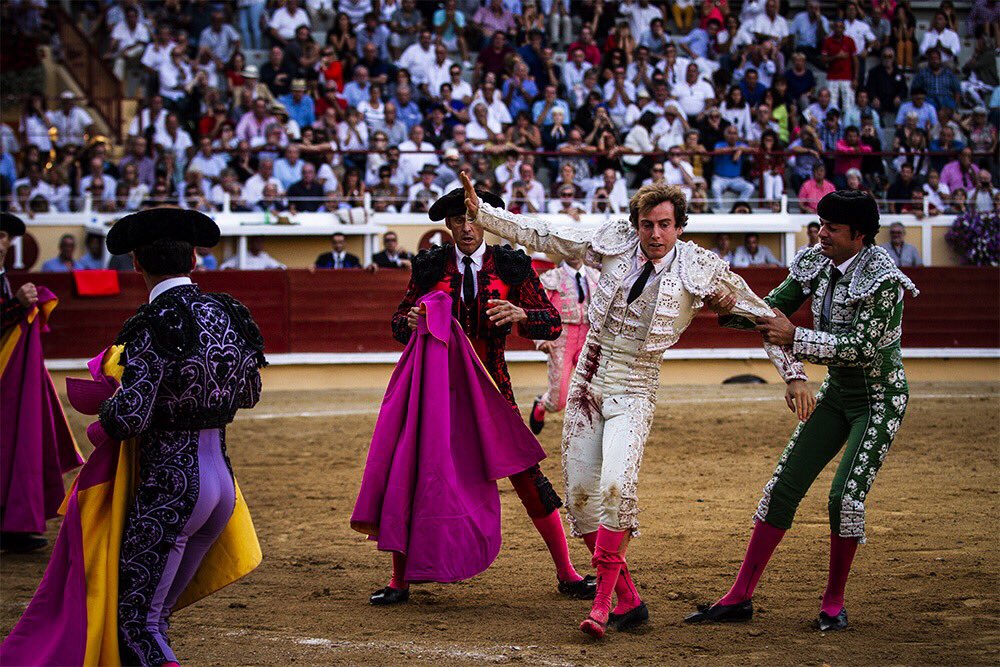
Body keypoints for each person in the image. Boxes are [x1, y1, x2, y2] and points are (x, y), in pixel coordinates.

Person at [465, 175, 809, 638]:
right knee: (582, 498)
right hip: (588, 375)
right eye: (647, 224)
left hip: (635, 383)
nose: (655, 234)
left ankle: (603, 606)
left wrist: (793, 374)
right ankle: (628, 601)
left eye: (665, 225)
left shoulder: (701, 269)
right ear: (636, 224)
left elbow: (764, 315)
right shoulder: (614, 241)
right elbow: (544, 234)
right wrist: (485, 214)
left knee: (615, 486)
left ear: (680, 227)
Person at [24, 208, 265, 666]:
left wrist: (105, 403)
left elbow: (129, 418)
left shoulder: (153, 323)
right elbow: (250, 392)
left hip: (170, 488)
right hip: (220, 490)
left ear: (136, 264)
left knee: (135, 622)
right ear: (194, 257)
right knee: (155, 618)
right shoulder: (231, 313)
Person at [686, 190, 919, 633]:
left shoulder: (884, 280)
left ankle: (833, 602)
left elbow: (864, 348)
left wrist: (795, 338)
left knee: (844, 498)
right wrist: (725, 306)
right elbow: (772, 310)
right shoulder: (816, 261)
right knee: (782, 487)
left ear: (860, 235)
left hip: (879, 399)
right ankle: (739, 596)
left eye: (832, 227)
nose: (822, 233)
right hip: (837, 395)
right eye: (821, 224)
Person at [383, 185, 595, 606]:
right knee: (415, 472)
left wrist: (521, 315)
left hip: (493, 386)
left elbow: (552, 323)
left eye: (473, 217)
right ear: (448, 225)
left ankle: (568, 572)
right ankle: (398, 580)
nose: (467, 227)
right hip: (436, 391)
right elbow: (397, 324)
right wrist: (408, 322)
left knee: (527, 474)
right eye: (458, 219)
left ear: (487, 221)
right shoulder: (430, 266)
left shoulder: (512, 265)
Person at [0, 213, 81, 554]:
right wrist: (15, 307)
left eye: (3, 236)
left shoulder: (3, 278)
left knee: (14, 446)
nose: (0, 241)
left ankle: (13, 525)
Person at [528, 258, 599, 435]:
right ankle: (542, 404)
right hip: (561, 339)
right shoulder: (551, 278)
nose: (573, 251)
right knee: (558, 401)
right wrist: (541, 338)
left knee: (595, 389)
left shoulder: (595, 276)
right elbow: (538, 308)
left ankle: (587, 431)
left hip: (588, 337)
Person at [220, 236, 286, 269]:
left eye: (261, 242)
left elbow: (282, 267)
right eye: (257, 242)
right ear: (251, 243)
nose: (259, 245)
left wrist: (270, 271)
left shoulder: (264, 256)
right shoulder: (243, 255)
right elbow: (223, 267)